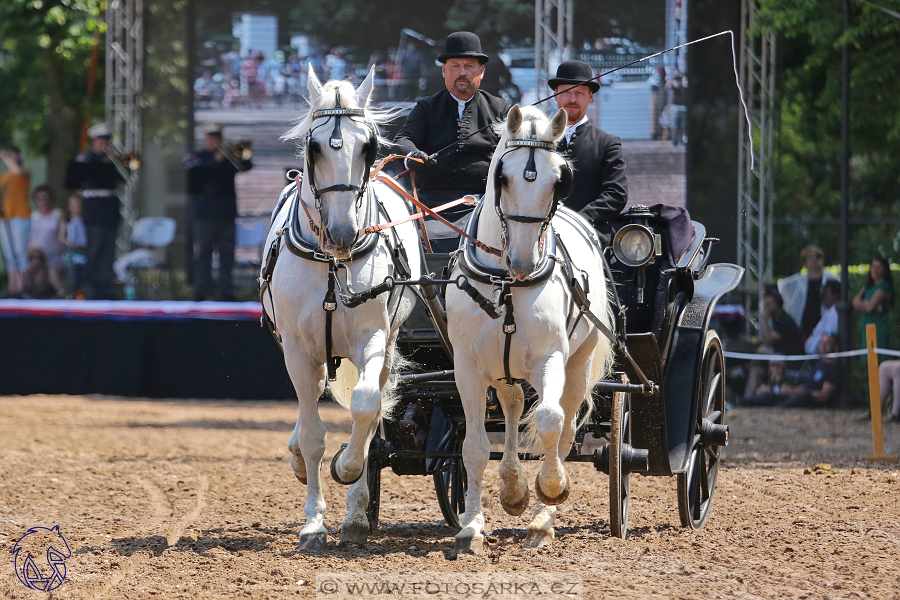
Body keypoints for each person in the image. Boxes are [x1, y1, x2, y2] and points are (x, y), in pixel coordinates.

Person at [393, 31, 511, 252]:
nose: (462, 73)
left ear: (481, 71)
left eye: (469, 66)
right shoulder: (427, 107)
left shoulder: (501, 109)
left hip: (484, 205)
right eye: (455, 66)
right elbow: (404, 139)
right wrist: (413, 156)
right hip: (430, 206)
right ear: (444, 71)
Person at [549, 60, 627, 228]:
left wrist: (580, 220)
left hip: (588, 234)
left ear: (590, 97)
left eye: (579, 93)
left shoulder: (607, 143)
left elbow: (616, 194)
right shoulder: (538, 141)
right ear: (555, 94)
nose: (572, 99)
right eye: (566, 92)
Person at [184, 122, 252, 301]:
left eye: (218, 138)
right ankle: (201, 290)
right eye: (212, 138)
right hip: (204, 214)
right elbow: (193, 171)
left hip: (226, 213)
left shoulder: (229, 158)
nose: (215, 141)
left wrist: (232, 154)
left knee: (227, 255)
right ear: (205, 139)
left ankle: (226, 291)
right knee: (203, 254)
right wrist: (215, 160)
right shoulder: (196, 156)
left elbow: (247, 165)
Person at [64, 123, 124, 300]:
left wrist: (115, 162)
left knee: (109, 250)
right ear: (94, 141)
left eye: (107, 140)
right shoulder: (87, 158)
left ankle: (107, 288)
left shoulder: (116, 159)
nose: (104, 143)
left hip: (110, 206)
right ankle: (92, 289)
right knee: (95, 248)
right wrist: (101, 163)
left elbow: (126, 177)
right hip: (94, 206)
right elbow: (82, 177)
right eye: (101, 140)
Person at [741, 332, 841, 408]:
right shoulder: (819, 364)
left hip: (810, 399)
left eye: (827, 343)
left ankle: (778, 409)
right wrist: (793, 389)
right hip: (801, 394)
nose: (823, 346)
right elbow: (807, 386)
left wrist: (804, 393)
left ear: (835, 347)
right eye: (821, 342)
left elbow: (824, 395)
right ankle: (740, 402)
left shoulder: (833, 367)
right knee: (771, 395)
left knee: (792, 398)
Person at [743, 289, 805, 397]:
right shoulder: (775, 320)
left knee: (761, 350)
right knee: (755, 370)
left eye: (769, 304)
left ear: (778, 303)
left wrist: (763, 319)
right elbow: (765, 339)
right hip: (777, 356)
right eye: (765, 304)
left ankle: (744, 367)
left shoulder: (785, 320)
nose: (767, 307)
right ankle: (746, 400)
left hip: (790, 359)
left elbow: (767, 339)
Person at [777, 245, 840, 341]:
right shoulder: (798, 281)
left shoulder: (833, 279)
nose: (814, 260)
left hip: (826, 329)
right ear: (804, 262)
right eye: (810, 258)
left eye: (817, 257)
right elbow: (782, 285)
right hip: (804, 329)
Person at [0, 145, 31, 295]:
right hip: (5, 219)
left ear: (18, 156)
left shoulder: (24, 172)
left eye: (12, 154)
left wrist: (5, 156)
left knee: (20, 253)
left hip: (20, 217)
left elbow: (17, 171)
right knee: (9, 255)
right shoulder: (3, 177)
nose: (8, 156)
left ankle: (22, 285)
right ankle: (13, 286)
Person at [27, 185, 66, 295]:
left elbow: (63, 236)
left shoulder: (58, 214)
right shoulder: (33, 216)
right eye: (38, 197)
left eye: (46, 197)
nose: (42, 200)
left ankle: (63, 296)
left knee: (53, 274)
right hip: (36, 255)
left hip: (53, 255)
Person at [853, 255, 894, 357]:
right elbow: (855, 302)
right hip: (866, 328)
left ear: (884, 269)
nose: (874, 270)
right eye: (873, 267)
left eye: (878, 267)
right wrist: (870, 304)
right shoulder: (868, 287)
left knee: (877, 360)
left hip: (877, 329)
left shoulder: (884, 286)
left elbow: (869, 307)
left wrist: (866, 304)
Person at [60, 193, 87, 299]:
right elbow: (61, 237)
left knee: (84, 279)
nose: (77, 207)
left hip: (84, 254)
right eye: (74, 205)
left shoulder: (86, 220)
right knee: (72, 279)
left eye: (79, 205)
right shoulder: (67, 220)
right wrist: (71, 244)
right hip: (72, 254)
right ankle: (72, 296)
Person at [804, 280, 840, 355]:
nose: (823, 297)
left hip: (821, 357)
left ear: (835, 295)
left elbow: (827, 338)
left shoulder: (835, 313)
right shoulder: (829, 312)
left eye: (826, 293)